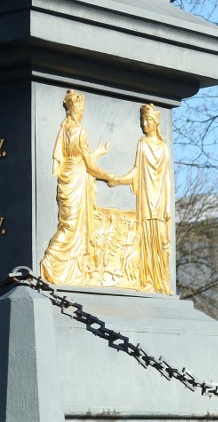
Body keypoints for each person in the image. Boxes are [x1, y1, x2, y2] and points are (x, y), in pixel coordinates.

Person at [41, 89, 115, 285]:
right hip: (76, 183)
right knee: (71, 225)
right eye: (82, 110)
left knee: (69, 224)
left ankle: (69, 270)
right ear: (75, 111)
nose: (83, 114)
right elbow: (88, 165)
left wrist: (98, 152)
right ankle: (50, 260)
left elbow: (79, 159)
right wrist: (109, 176)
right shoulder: (79, 131)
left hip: (69, 180)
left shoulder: (63, 130)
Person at [109, 103, 173, 294]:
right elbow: (137, 171)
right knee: (145, 242)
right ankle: (147, 281)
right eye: (142, 120)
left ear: (156, 122)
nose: (145, 124)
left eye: (148, 120)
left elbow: (167, 178)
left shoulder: (163, 147)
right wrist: (119, 180)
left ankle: (162, 282)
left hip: (160, 203)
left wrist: (168, 205)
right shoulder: (142, 144)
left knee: (163, 242)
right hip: (146, 202)